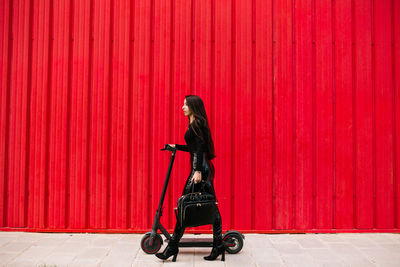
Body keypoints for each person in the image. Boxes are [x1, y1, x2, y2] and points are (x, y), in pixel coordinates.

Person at [155, 95, 224, 262]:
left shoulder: (197, 123)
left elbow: (200, 148)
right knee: (210, 204)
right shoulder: (195, 123)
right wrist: (176, 146)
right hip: (202, 168)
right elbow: (194, 148)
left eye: (186, 104)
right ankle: (218, 245)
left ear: (193, 106)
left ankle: (172, 247)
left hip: (200, 170)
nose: (182, 107)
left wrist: (198, 171)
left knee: (184, 204)